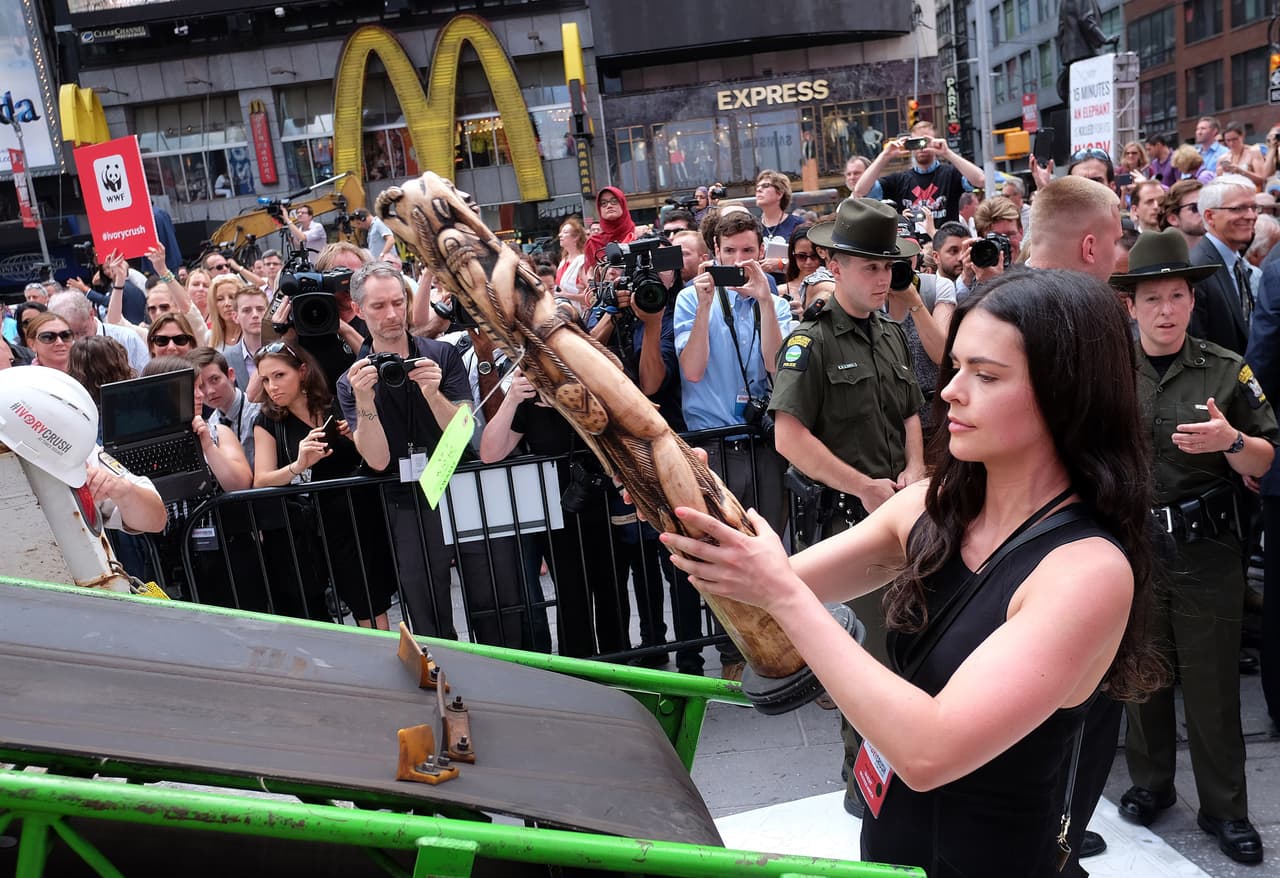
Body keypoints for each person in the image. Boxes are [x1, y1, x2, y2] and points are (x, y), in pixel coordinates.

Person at [662, 267, 1162, 876]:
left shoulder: (1087, 570)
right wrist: (675, 497)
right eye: (956, 368)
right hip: (896, 850)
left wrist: (783, 592)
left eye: (987, 375)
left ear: (1067, 394)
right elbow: (753, 585)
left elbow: (930, 749)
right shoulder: (931, 504)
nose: (951, 390)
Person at [1111, 229, 1276, 865]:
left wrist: (1231, 444)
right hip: (1135, 547)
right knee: (1141, 674)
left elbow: (1267, 454)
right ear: (1132, 306)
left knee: (1211, 684)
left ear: (1190, 300)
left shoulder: (1226, 368)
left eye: (1176, 296)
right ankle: (1151, 785)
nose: (1165, 309)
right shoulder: (1107, 371)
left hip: (1207, 547)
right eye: (1152, 298)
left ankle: (1225, 808)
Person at [337, 261, 526, 646]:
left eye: (397, 302)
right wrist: (363, 399)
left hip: (462, 486)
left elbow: (463, 433)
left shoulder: (441, 354)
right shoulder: (351, 379)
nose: (391, 314)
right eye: (378, 306)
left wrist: (431, 392)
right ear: (358, 310)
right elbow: (375, 459)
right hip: (406, 499)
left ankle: (504, 674)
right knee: (426, 608)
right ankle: (443, 677)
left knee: (494, 597)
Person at [253, 341, 395, 629]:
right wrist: (299, 463)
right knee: (314, 615)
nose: (272, 387)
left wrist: (353, 437)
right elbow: (261, 480)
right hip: (306, 532)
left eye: (280, 376)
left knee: (369, 603)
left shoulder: (337, 404)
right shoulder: (268, 420)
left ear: (302, 372)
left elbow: (377, 456)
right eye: (265, 379)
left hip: (356, 520)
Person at [852, 120, 986, 223]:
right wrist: (885, 155)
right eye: (917, 142)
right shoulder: (900, 180)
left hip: (945, 249)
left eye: (926, 141)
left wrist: (947, 153)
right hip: (914, 250)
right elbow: (860, 190)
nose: (922, 148)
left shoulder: (950, 174)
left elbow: (981, 180)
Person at [1191, 175, 1258, 355]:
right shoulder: (1198, 269)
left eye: (1254, 207)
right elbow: (1197, 346)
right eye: (1239, 208)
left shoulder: (1237, 263)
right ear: (1210, 216)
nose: (1251, 215)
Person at [189, 347, 260, 468]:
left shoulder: (258, 413)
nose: (210, 391)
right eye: (200, 386)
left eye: (215, 380)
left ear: (231, 375)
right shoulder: (211, 424)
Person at [583, 187, 637, 272]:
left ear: (622, 204)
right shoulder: (593, 243)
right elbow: (591, 276)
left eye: (614, 201)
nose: (609, 206)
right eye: (603, 203)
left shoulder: (637, 234)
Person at [755, 170, 804, 260]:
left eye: (765, 186)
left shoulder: (798, 224)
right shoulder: (753, 226)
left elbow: (806, 259)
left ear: (780, 194)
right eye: (757, 187)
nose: (758, 189)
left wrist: (781, 264)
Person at [1160, 179, 1207, 247]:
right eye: (1195, 207)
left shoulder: (1222, 247)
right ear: (1173, 219)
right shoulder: (1162, 255)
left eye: (1206, 205)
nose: (1204, 211)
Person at [1218, 121, 1265, 190]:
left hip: (1251, 192)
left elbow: (1262, 179)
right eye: (1228, 140)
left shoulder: (1253, 152)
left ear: (1242, 136)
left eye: (1235, 139)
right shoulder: (1222, 158)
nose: (1231, 143)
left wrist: (1241, 171)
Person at [555, 217, 588, 308]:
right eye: (561, 232)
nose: (560, 235)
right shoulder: (563, 261)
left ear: (576, 237)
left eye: (565, 232)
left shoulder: (582, 261)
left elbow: (591, 295)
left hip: (579, 315)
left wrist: (566, 296)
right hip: (564, 312)